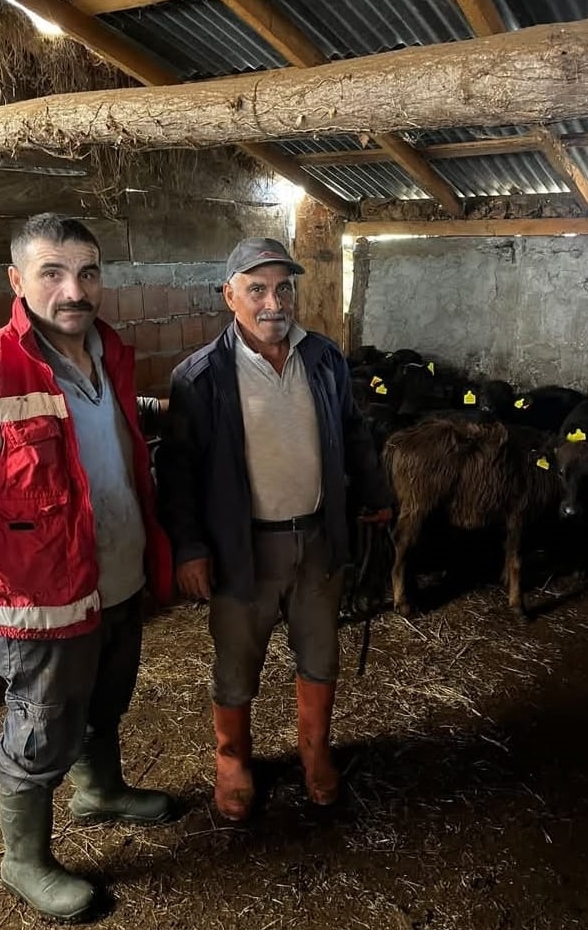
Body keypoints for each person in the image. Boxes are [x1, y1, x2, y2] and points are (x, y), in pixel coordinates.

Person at [156, 237, 391, 822]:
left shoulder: (324, 358)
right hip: (242, 547)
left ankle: (314, 750)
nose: (273, 302)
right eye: (257, 289)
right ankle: (233, 759)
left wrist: (374, 493)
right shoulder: (201, 376)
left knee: (320, 650)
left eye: (283, 288)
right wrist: (190, 548)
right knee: (236, 661)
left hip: (317, 539)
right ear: (229, 295)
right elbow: (178, 472)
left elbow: (353, 432)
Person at [0, 214, 174, 922]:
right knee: (40, 728)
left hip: (120, 577)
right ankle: (24, 861)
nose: (75, 290)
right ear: (17, 281)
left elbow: (109, 422)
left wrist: (170, 408)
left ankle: (99, 791)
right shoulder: (1, 369)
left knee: (106, 701)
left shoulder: (110, 352)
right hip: (45, 599)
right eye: (53, 273)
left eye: (88, 272)